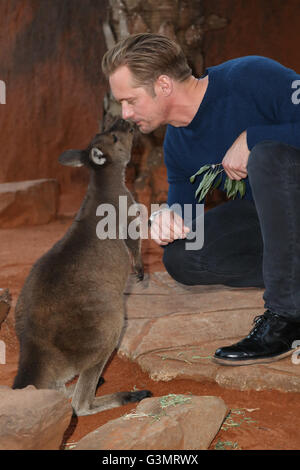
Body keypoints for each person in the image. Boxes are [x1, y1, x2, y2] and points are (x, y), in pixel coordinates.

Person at [101, 32, 300, 366]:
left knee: (267, 156)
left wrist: (255, 137)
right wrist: (166, 219)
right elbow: (186, 215)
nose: (125, 112)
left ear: (163, 85)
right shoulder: (178, 144)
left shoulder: (250, 76)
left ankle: (287, 315)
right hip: (282, 223)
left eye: (130, 100)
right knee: (183, 256)